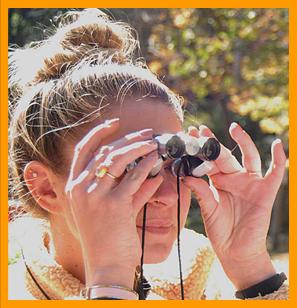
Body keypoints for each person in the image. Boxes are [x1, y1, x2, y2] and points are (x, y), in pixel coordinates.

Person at [8, 8, 288, 300]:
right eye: (132, 166)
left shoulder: (198, 286)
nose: (167, 195)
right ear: (44, 187)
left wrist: (253, 273)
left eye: (178, 164)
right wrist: (110, 282)